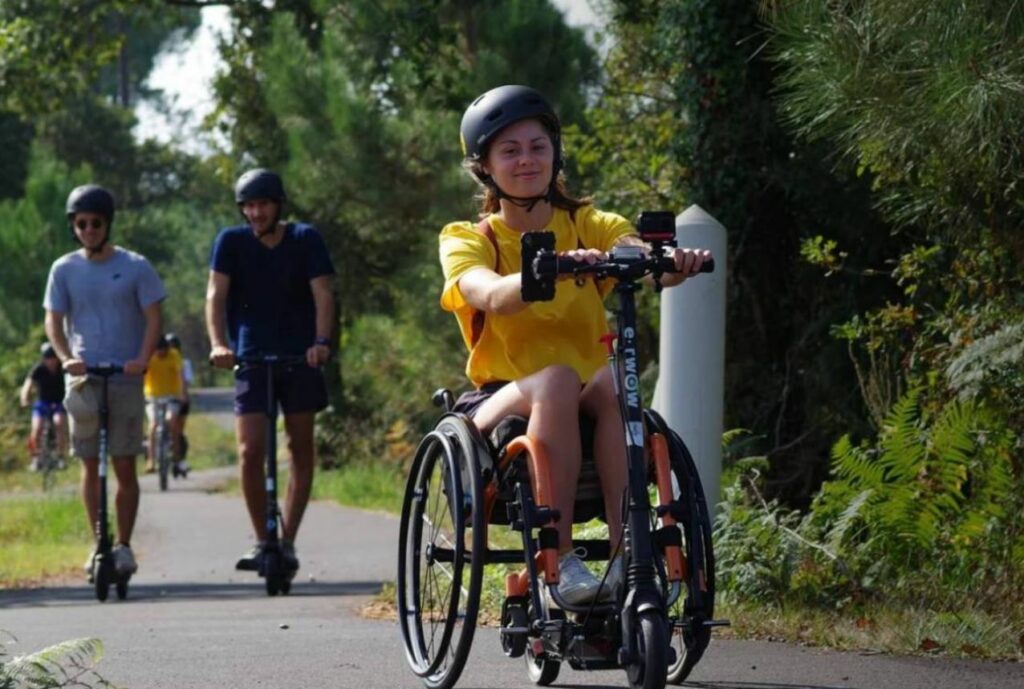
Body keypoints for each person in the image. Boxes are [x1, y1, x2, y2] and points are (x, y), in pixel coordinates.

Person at [440, 85, 711, 604]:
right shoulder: (469, 237)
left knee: (613, 378)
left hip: (587, 393)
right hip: (500, 396)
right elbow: (486, 292)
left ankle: (628, 556)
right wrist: (541, 273)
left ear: (555, 153)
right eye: (510, 150)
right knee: (558, 378)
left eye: (538, 147)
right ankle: (559, 561)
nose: (527, 160)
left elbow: (630, 249)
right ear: (485, 166)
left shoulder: (588, 223)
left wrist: (671, 263)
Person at [205, 168, 335, 574]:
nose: (256, 212)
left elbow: (323, 294)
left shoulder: (304, 239)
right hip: (251, 356)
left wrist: (321, 343)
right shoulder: (231, 242)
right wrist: (218, 344)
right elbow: (215, 295)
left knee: (300, 447)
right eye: (249, 206)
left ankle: (289, 540)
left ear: (278, 206)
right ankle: (263, 539)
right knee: (249, 451)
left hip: (300, 356)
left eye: (263, 204)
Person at [43, 184, 166, 579]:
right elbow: (54, 320)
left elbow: (153, 317)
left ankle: (124, 546)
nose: (89, 229)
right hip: (84, 378)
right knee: (88, 463)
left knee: (125, 464)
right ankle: (98, 542)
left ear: (107, 224)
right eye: (82, 223)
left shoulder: (136, 266)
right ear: (73, 226)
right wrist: (66, 359)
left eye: (96, 223)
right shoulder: (64, 269)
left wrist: (142, 359)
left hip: (125, 376)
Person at [142, 334, 188, 477]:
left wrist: (183, 393)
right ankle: (150, 460)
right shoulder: (148, 355)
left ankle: (176, 455)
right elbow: (142, 374)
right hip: (152, 396)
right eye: (159, 352)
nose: (162, 354)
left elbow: (180, 374)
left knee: (172, 422)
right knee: (153, 425)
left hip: (172, 396)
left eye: (164, 351)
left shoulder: (174, 355)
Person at [19, 343, 68, 471]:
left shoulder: (63, 369)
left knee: (59, 423)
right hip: (42, 403)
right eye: (47, 358)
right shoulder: (38, 369)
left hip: (59, 403)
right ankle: (35, 458)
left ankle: (60, 457)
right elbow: (27, 385)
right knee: (37, 428)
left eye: (52, 358)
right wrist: (25, 398)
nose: (50, 361)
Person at [165, 332, 193, 464]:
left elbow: (186, 382)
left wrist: (184, 397)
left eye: (173, 346)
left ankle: (179, 457)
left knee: (178, 430)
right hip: (162, 397)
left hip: (179, 398)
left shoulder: (184, 363)